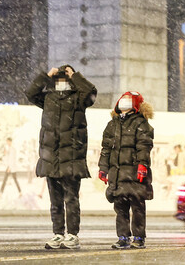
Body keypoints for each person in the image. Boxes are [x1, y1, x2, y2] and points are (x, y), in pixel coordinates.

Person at [26, 64, 97, 250]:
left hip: (71, 159)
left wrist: (75, 76)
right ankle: (58, 234)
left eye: (65, 77)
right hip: (51, 158)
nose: (61, 80)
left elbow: (91, 92)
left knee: (71, 199)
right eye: (59, 77)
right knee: (55, 201)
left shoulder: (78, 98)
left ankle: (72, 235)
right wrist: (46, 76)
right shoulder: (48, 98)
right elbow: (30, 93)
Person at [98, 91, 154, 250]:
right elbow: (106, 149)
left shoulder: (141, 124)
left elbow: (144, 146)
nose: (124, 102)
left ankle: (139, 237)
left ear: (135, 104)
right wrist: (103, 168)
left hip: (135, 173)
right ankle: (123, 237)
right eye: (123, 99)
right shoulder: (112, 124)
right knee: (120, 207)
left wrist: (142, 164)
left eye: (128, 100)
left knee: (137, 206)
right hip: (117, 174)